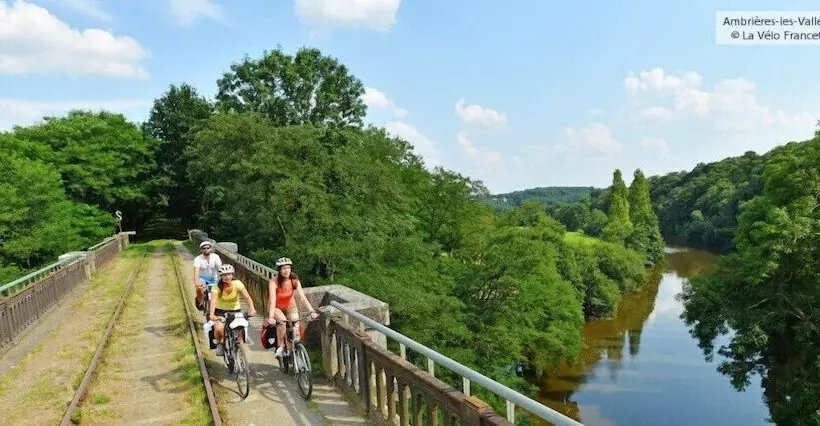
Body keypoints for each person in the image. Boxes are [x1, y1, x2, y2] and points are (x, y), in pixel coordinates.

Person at [267, 257, 319, 358]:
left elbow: (302, 297)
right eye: (283, 268)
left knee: (295, 322)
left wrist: (311, 311)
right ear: (279, 270)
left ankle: (295, 348)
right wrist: (271, 317)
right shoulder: (274, 281)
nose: (286, 271)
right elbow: (273, 300)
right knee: (282, 322)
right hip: (276, 307)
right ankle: (281, 346)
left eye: (288, 268)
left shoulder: (294, 280)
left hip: (290, 306)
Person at [209, 264, 257, 356]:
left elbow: (247, 297)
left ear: (232, 275)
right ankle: (220, 343)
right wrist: (212, 315)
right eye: (224, 275)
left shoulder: (238, 284)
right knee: (219, 329)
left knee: (239, 330)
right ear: (221, 276)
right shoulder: (216, 287)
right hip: (220, 312)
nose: (227, 277)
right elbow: (213, 302)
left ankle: (240, 347)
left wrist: (252, 309)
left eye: (229, 274)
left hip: (235, 311)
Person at [193, 240, 222, 311]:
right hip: (202, 278)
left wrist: (223, 277)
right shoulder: (198, 259)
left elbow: (220, 268)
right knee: (199, 289)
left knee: (219, 291)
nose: (206, 250)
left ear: (211, 249)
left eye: (208, 248)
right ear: (201, 250)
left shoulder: (215, 257)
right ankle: (200, 302)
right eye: (204, 248)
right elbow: (196, 271)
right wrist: (196, 282)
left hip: (214, 277)